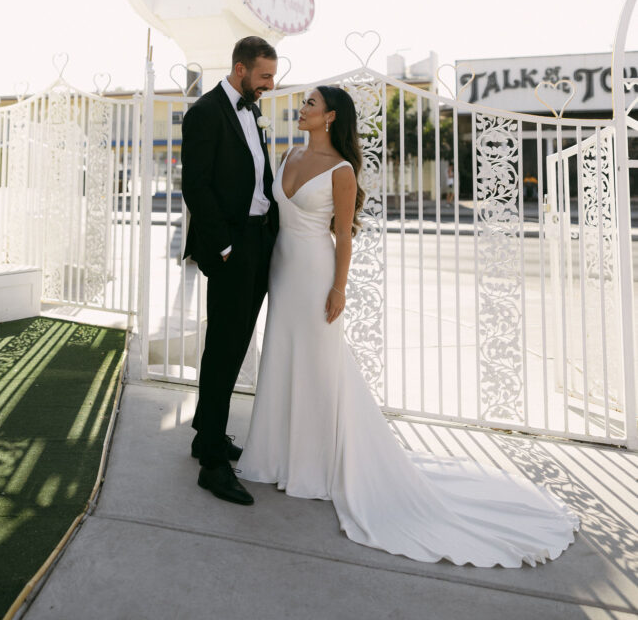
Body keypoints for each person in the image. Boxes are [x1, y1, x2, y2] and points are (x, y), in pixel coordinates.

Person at [239, 84, 579, 566]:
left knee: (319, 366)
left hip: (315, 274)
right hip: (282, 270)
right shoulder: (290, 152)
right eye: (305, 103)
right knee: (282, 357)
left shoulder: (341, 171)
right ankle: (274, 455)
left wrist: (339, 289)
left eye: (310, 103)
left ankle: (313, 467)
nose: (302, 108)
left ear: (331, 117)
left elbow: (343, 236)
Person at [182, 36, 279, 506]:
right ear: (240, 69)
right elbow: (196, 186)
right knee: (223, 349)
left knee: (235, 344)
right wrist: (222, 246)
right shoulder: (205, 113)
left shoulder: (251, 108)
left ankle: (207, 436)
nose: (270, 84)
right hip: (231, 248)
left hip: (259, 243)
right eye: (264, 76)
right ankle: (212, 467)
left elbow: (255, 176)